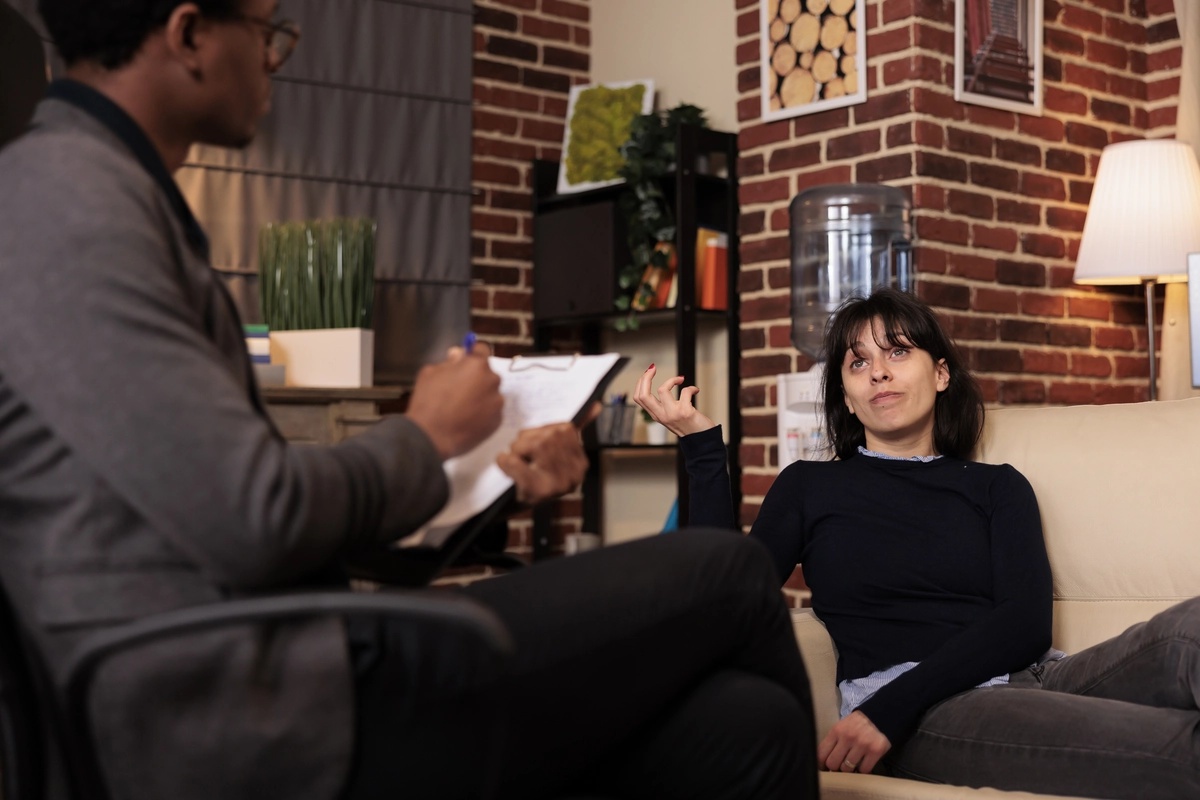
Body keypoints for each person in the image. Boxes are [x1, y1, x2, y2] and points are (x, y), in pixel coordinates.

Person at [0, 2, 819, 799]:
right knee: (732, 570)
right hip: (236, 715)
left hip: (273, 666)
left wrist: (485, 478)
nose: (274, 61)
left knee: (749, 724)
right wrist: (425, 436)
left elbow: (222, 508)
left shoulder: (101, 195)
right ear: (189, 34)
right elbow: (256, 517)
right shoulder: (66, 203)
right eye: (266, 31)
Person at [635, 287, 1200, 799]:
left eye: (898, 352)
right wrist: (702, 449)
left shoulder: (997, 486)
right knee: (1177, 747)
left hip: (1042, 678)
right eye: (859, 363)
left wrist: (890, 708)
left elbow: (1026, 624)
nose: (879, 372)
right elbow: (725, 598)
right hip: (928, 711)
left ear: (941, 374)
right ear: (847, 398)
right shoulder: (810, 486)